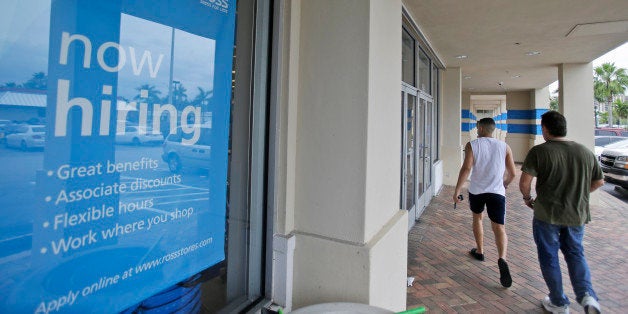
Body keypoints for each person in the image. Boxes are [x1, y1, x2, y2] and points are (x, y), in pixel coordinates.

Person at [520, 111, 603, 314]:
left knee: (549, 256)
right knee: (576, 253)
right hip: (576, 215)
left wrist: (528, 199)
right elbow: (599, 182)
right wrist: (579, 193)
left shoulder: (540, 152)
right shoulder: (584, 152)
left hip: (546, 215)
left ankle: (558, 302)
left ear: (546, 129)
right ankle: (587, 296)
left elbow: (524, 183)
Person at [453, 117, 516, 288]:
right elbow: (512, 173)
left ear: (480, 128)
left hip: (477, 191)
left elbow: (466, 168)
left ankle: (480, 251)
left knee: (478, 218)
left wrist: (457, 190)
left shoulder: (472, 145)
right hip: (497, 192)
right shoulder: (505, 147)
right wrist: (505, 184)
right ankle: (502, 258)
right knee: (499, 227)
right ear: (493, 129)